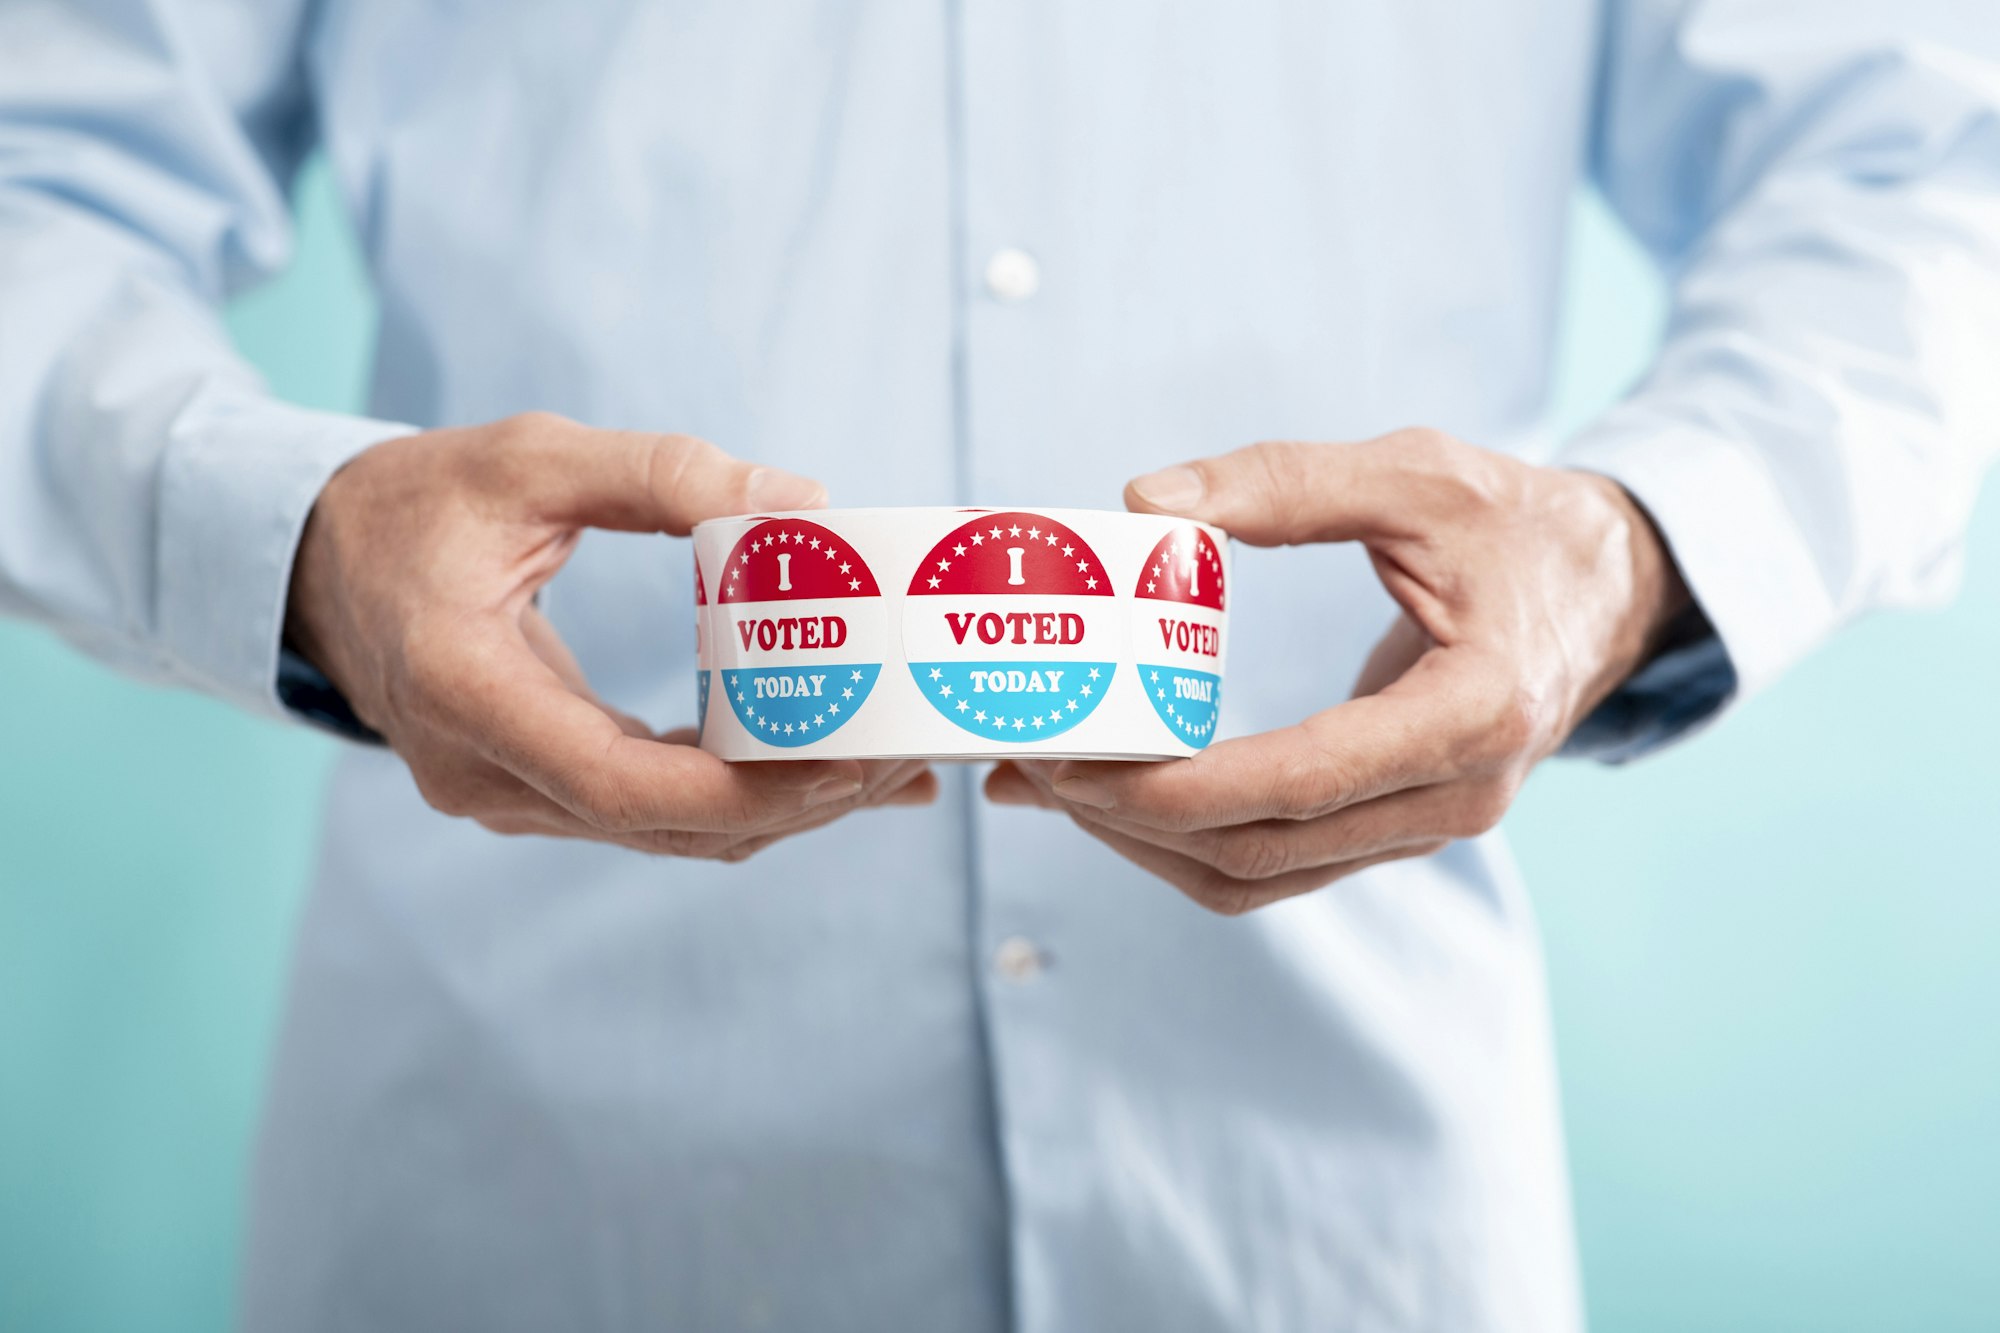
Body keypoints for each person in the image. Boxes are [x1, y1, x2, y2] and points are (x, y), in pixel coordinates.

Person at [2, 1, 1995, 1328]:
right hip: (521, 1192)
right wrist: (295, 548)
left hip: (1327, 1210)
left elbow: (1919, 165)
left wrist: (1633, 553)